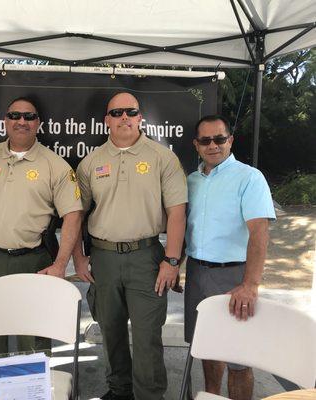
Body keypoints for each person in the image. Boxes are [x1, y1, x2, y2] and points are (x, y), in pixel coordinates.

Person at [73, 92, 188, 400]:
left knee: (147, 333)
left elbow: (177, 213)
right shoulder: (90, 162)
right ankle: (119, 390)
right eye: (116, 112)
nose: (124, 116)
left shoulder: (162, 157)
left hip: (147, 258)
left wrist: (172, 261)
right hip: (103, 257)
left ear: (140, 117)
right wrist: (79, 259)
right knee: (109, 330)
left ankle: (150, 395)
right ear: (106, 121)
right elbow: (76, 215)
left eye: (131, 111)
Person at [0, 96, 82, 356]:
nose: (21, 121)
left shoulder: (55, 165)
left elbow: (73, 216)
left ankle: (35, 391)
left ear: (38, 123)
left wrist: (61, 264)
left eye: (29, 116)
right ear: (5, 122)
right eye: (15, 116)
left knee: (34, 338)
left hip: (35, 260)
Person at [184, 114, 275, 399]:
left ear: (230, 141)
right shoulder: (191, 181)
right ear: (196, 145)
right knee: (207, 347)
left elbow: (259, 232)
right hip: (198, 273)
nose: (213, 145)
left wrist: (250, 284)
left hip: (235, 276)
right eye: (206, 140)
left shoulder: (249, 177)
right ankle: (212, 394)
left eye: (220, 139)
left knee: (238, 358)